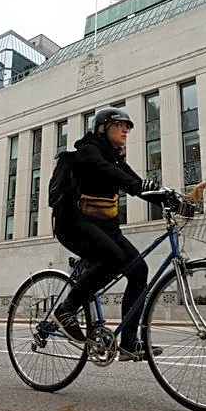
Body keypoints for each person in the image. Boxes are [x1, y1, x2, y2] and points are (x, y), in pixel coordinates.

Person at [52, 106, 162, 361]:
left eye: (128, 127)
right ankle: (66, 310)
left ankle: (129, 343)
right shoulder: (89, 151)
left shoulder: (116, 157)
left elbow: (137, 183)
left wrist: (169, 198)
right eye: (120, 125)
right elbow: (119, 177)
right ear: (103, 128)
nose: (126, 130)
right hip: (73, 223)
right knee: (112, 259)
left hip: (104, 227)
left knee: (139, 270)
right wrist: (138, 186)